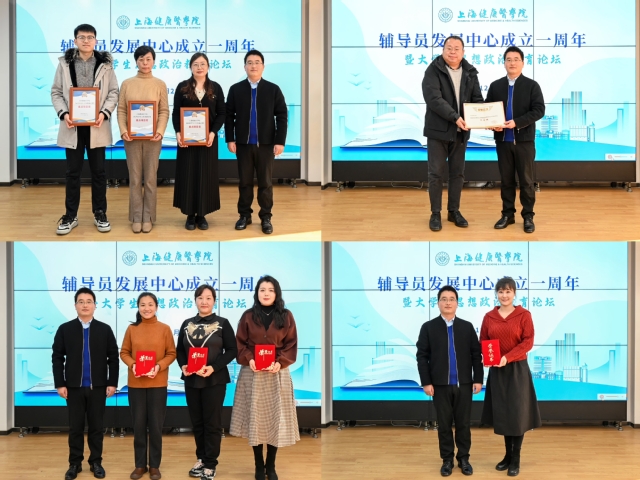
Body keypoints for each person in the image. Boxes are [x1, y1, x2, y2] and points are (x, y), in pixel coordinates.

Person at [51, 23, 119, 236]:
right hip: (72, 126)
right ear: (75, 41)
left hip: (97, 126)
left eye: (90, 37)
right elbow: (56, 92)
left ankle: (100, 213)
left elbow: (114, 92)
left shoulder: (106, 65)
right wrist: (64, 114)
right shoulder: (64, 64)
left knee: (99, 172)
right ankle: (70, 215)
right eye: (82, 37)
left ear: (95, 41)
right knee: (72, 172)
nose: (86, 41)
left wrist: (103, 114)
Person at [230, 276, 299, 480]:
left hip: (277, 372)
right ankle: (259, 465)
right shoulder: (248, 316)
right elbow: (240, 343)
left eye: (270, 290)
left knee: (275, 420)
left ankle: (271, 465)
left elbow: (291, 344)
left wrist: (280, 362)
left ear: (276, 293)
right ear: (257, 293)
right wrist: (249, 358)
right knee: (256, 421)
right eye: (262, 290)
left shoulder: (286, 316)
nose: (266, 293)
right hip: (252, 373)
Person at [52, 287, 119, 480]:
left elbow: (113, 358)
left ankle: (96, 462)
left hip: (98, 387)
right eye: (81, 302)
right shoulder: (65, 329)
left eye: (89, 301)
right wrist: (60, 384)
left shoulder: (104, 329)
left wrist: (112, 383)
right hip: (73, 388)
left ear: (95, 305)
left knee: (97, 427)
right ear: (75, 306)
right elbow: (57, 357)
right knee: (75, 428)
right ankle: (74, 464)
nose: (85, 305)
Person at [416, 285, 483, 477]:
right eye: (444, 299)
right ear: (438, 303)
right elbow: (422, 356)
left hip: (464, 385)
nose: (447, 302)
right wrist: (426, 382)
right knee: (444, 425)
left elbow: (476, 354)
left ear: (457, 303)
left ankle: (464, 459)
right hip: (439, 386)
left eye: (451, 299)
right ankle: (447, 460)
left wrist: (478, 379)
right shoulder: (428, 327)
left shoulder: (466, 327)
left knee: (463, 424)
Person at [480, 277, 541, 477]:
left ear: (514, 293)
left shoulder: (524, 315)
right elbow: (484, 340)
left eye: (508, 291)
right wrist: (488, 356)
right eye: (501, 291)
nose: (504, 295)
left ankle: (516, 458)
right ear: (496, 294)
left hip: (517, 369)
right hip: (497, 370)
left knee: (517, 413)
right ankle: (507, 456)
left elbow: (528, 341)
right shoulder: (489, 317)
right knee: (504, 413)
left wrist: (508, 357)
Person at [422, 35, 484, 232]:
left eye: (457, 48)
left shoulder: (470, 72)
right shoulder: (433, 70)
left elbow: (477, 99)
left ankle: (453, 211)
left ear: (463, 52)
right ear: (443, 50)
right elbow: (434, 99)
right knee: (436, 174)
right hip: (438, 132)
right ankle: (435, 213)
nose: (453, 51)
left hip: (460, 133)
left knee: (457, 174)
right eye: (449, 48)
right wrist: (455, 117)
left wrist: (488, 118)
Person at [176, 285, 237, 480]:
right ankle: (201, 458)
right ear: (195, 300)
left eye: (208, 298)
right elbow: (180, 351)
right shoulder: (187, 323)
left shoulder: (223, 323)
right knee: (197, 422)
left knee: (212, 423)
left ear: (214, 301)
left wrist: (214, 367)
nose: (204, 301)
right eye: (200, 297)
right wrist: (183, 365)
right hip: (192, 379)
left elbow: (232, 350)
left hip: (214, 380)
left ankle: (211, 463)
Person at [225, 49, 288, 235]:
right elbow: (229, 116)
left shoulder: (273, 89)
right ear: (245, 67)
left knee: (265, 183)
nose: (253, 65)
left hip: (266, 145)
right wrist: (230, 139)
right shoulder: (236, 89)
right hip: (243, 145)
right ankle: (244, 215)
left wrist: (280, 141)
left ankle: (266, 217)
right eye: (250, 62)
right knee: (244, 182)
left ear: (263, 66)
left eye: (257, 62)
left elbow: (282, 116)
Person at [485, 46, 545, 234]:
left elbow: (539, 110)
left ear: (523, 63)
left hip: (524, 142)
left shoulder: (532, 85)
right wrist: (491, 124)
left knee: (526, 181)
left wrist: (517, 122)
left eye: (516, 59)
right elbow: (487, 110)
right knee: (506, 180)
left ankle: (528, 216)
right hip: (503, 142)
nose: (512, 63)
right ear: (504, 63)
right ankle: (507, 215)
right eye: (508, 59)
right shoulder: (495, 86)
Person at [120, 293, 176, 480]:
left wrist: (159, 366)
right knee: (138, 425)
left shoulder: (165, 329)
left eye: (150, 304)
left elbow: (171, 353)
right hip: (136, 384)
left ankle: (154, 466)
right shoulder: (132, 329)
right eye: (142, 305)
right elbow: (124, 352)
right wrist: (133, 365)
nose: (146, 308)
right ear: (138, 307)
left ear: (156, 307)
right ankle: (139, 465)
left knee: (156, 426)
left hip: (157, 384)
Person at [117, 45, 170, 234]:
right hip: (131, 138)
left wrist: (160, 131)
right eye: (141, 59)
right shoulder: (127, 83)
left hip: (153, 139)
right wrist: (123, 130)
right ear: (136, 62)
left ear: (153, 61)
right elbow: (121, 110)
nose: (145, 63)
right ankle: (136, 217)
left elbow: (164, 111)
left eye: (148, 59)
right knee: (134, 178)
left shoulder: (160, 84)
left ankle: (148, 217)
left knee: (150, 179)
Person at [172, 52, 226, 231]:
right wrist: (178, 132)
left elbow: (222, 113)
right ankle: (189, 214)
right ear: (191, 67)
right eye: (195, 64)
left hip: (208, 140)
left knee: (206, 175)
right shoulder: (182, 87)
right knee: (188, 174)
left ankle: (202, 215)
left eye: (202, 64)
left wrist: (213, 132)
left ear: (208, 66)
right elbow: (176, 113)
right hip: (187, 141)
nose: (199, 67)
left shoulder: (216, 88)